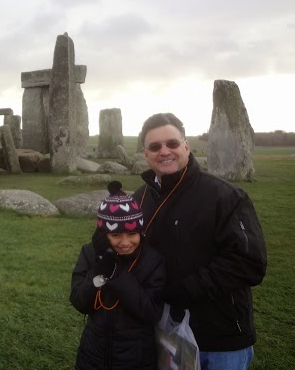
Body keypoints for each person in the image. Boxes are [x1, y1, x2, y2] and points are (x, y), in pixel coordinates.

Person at [133, 112, 267, 369]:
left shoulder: (224, 196)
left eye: (172, 143)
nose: (165, 151)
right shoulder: (141, 198)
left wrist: (184, 290)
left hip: (220, 336)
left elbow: (249, 262)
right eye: (155, 146)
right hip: (164, 329)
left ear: (186, 145)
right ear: (145, 153)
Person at [70, 181, 165, 370]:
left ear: (141, 231)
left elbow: (151, 312)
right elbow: (79, 301)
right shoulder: (91, 254)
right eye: (116, 236)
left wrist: (119, 273)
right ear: (103, 235)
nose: (125, 242)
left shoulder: (152, 260)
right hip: (93, 354)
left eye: (132, 234)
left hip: (136, 358)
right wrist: (100, 270)